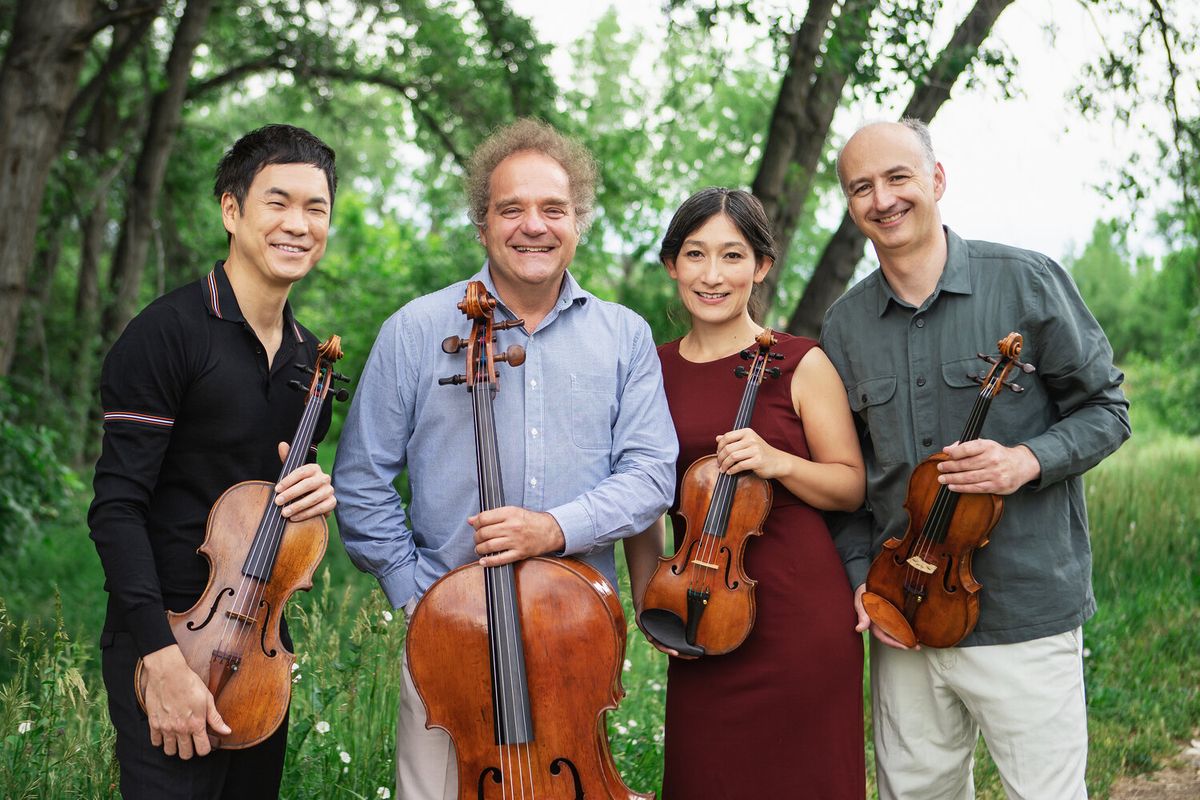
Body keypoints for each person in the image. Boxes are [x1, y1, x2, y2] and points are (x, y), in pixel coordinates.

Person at [333, 117, 677, 799]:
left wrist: (554, 529)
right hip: (447, 635)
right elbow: (361, 480)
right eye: (511, 208)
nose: (534, 226)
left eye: (554, 208)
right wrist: (418, 596)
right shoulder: (416, 331)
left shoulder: (623, 336)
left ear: (577, 221)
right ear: (482, 225)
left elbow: (650, 478)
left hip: (575, 638)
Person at [821, 119, 1131, 799]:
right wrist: (858, 580)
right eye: (861, 187)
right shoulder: (843, 328)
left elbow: (1108, 410)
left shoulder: (1025, 281)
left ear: (936, 179)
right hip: (903, 615)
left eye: (898, 177)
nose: (883, 199)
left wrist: (1026, 460)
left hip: (1024, 609)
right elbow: (847, 482)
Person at [89, 124, 340, 799]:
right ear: (232, 210)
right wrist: (160, 659)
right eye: (277, 202)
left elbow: (272, 518)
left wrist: (313, 502)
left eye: (316, 208)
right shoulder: (166, 334)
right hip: (167, 640)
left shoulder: (308, 361)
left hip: (259, 651)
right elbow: (116, 509)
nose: (298, 224)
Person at [624, 187, 868, 798]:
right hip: (698, 611)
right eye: (695, 254)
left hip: (801, 618)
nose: (712, 275)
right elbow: (639, 501)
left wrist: (778, 460)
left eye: (732, 257)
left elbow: (849, 486)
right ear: (672, 264)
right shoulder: (645, 369)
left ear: (761, 268)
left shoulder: (800, 362)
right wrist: (650, 604)